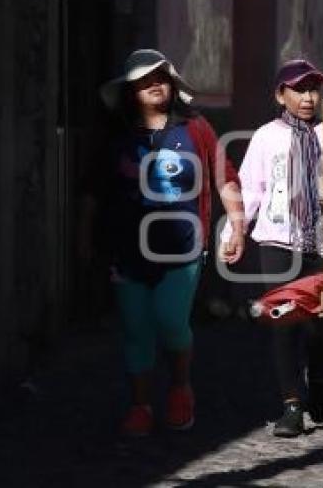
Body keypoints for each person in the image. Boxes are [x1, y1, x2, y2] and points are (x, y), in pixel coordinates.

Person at [84, 49, 245, 437]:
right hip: (126, 250)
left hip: (183, 247)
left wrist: (236, 225)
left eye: (161, 77)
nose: (155, 84)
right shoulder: (116, 136)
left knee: (172, 321)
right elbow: (91, 192)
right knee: (137, 329)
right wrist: (84, 239)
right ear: (130, 91)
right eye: (145, 80)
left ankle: (179, 386)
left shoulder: (196, 128)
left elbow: (224, 177)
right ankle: (140, 405)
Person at [219, 58, 323, 437]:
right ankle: (291, 404)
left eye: (314, 89)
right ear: (281, 95)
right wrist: (236, 231)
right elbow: (251, 188)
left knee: (320, 322)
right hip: (278, 241)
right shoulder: (267, 137)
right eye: (299, 89)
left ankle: (321, 392)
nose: (308, 97)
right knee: (283, 323)